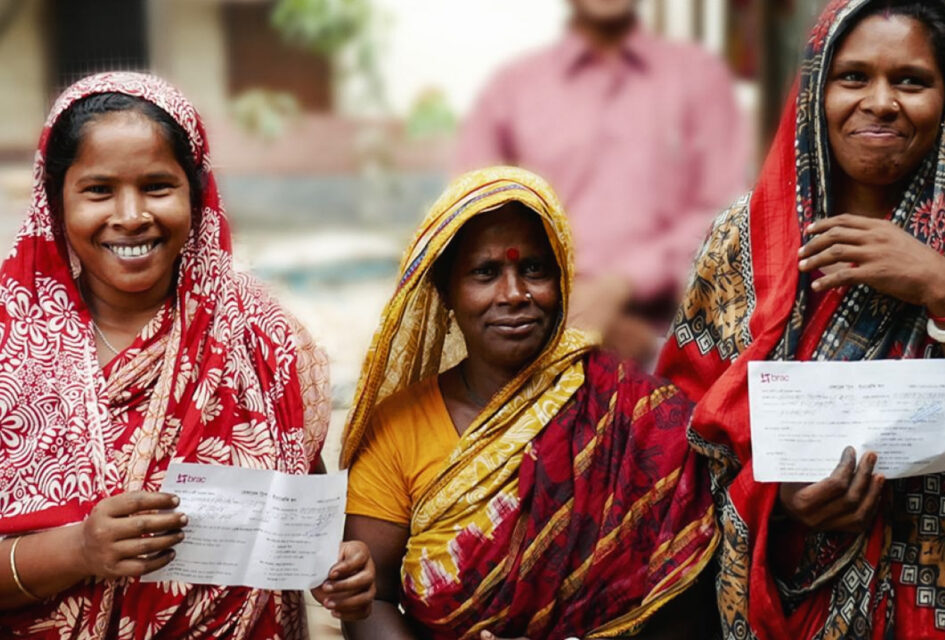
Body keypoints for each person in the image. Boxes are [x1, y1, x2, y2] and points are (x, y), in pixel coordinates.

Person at [656, 0, 945, 637]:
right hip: (775, 601)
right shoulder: (744, 241)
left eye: (911, 80)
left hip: (929, 599)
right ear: (813, 93)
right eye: (853, 77)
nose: (880, 102)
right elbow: (682, 443)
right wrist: (782, 502)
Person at [0, 72, 372, 637]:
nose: (130, 215)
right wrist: (79, 548)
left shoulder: (259, 337)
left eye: (156, 186)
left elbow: (300, 519)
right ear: (56, 201)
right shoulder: (12, 339)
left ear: (196, 194)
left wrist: (337, 567)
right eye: (98, 190)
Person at [339, 167, 719, 639]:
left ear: (560, 280)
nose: (515, 294)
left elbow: (684, 588)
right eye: (485, 273)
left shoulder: (634, 413)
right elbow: (368, 598)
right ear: (445, 292)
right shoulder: (398, 427)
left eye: (534, 269)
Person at [455, 0, 748, 362]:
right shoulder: (510, 91)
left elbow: (724, 213)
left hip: (673, 343)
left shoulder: (699, 78)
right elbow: (472, 220)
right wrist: (566, 312)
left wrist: (620, 286)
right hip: (535, 339)